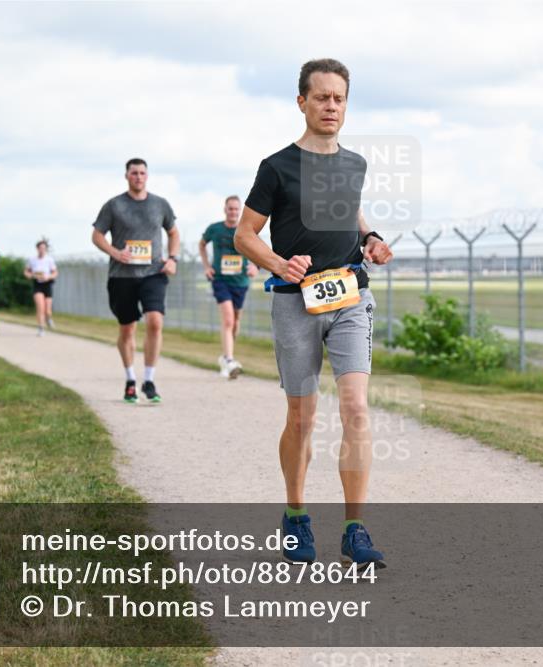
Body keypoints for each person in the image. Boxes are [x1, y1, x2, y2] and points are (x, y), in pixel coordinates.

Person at [234, 59, 394, 569]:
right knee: (302, 418)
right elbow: (245, 235)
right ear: (301, 102)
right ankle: (297, 514)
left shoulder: (354, 164)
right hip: (294, 302)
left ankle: (354, 528)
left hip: (349, 295)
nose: (331, 106)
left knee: (356, 409)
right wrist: (281, 263)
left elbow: (351, 211)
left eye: (339, 98)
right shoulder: (276, 167)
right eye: (321, 97)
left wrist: (371, 238)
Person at [91, 158, 179, 404]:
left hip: (153, 273)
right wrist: (114, 252)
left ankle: (149, 380)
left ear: (147, 176)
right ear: (126, 176)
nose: (138, 177)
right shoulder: (114, 205)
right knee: (127, 328)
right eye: (134, 173)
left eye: (142, 173)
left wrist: (172, 258)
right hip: (122, 276)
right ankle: (130, 379)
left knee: (155, 321)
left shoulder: (160, 204)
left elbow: (173, 232)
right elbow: (97, 234)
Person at [200, 195, 259, 379]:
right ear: (225, 209)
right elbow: (202, 244)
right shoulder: (215, 229)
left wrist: (256, 267)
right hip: (220, 279)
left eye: (236, 209)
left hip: (240, 282)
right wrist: (207, 266)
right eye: (230, 208)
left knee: (235, 321)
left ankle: (226, 356)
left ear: (240, 211)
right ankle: (229, 360)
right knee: (228, 319)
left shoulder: (247, 230)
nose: (233, 212)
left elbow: (258, 249)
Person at [23, 239, 59, 336]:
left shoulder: (49, 260)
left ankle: (48, 318)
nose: (42, 250)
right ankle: (41, 328)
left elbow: (55, 273)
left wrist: (48, 276)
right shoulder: (32, 260)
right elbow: (26, 272)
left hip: (47, 284)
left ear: (46, 249)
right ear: (37, 249)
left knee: (47, 310)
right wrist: (31, 275)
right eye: (40, 248)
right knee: (40, 307)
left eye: (44, 248)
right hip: (37, 285)